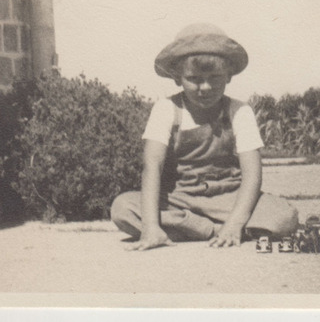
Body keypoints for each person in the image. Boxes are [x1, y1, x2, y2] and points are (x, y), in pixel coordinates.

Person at [111, 23, 298, 250]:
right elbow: (152, 166)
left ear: (228, 76)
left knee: (284, 217)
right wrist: (150, 227)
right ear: (177, 77)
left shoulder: (239, 111)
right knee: (123, 208)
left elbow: (252, 175)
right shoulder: (166, 109)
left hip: (228, 198)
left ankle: (203, 229)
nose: (206, 87)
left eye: (215, 77)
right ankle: (214, 230)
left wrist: (235, 220)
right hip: (179, 199)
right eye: (195, 78)